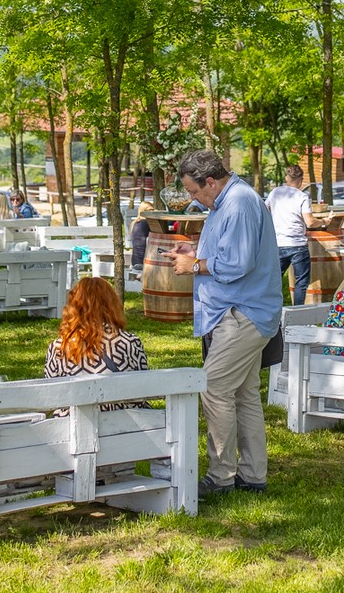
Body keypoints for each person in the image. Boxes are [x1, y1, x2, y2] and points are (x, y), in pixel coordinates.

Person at [170, 149, 280, 497]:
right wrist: (196, 257)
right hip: (237, 312)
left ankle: (220, 477)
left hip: (244, 313)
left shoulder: (239, 203)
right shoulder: (224, 203)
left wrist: (196, 267)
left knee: (214, 388)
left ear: (211, 181)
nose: (193, 198)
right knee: (244, 395)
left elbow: (237, 264)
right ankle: (252, 476)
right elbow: (227, 254)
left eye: (194, 191)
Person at [43, 275, 149, 395]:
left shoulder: (59, 347)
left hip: (74, 413)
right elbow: (143, 388)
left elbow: (52, 393)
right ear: (112, 305)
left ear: (73, 308)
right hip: (123, 413)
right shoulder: (130, 342)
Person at [266, 164, 318, 305]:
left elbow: (264, 212)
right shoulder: (302, 197)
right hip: (298, 246)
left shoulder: (275, 193)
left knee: (274, 282)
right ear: (301, 180)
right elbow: (310, 222)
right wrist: (324, 221)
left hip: (278, 243)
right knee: (301, 283)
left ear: (287, 178)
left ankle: (273, 313)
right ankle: (297, 316)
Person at [130, 202, 152, 272]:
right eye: (149, 210)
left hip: (135, 261)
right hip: (143, 262)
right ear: (143, 211)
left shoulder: (134, 223)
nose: (152, 212)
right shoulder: (145, 223)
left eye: (153, 210)